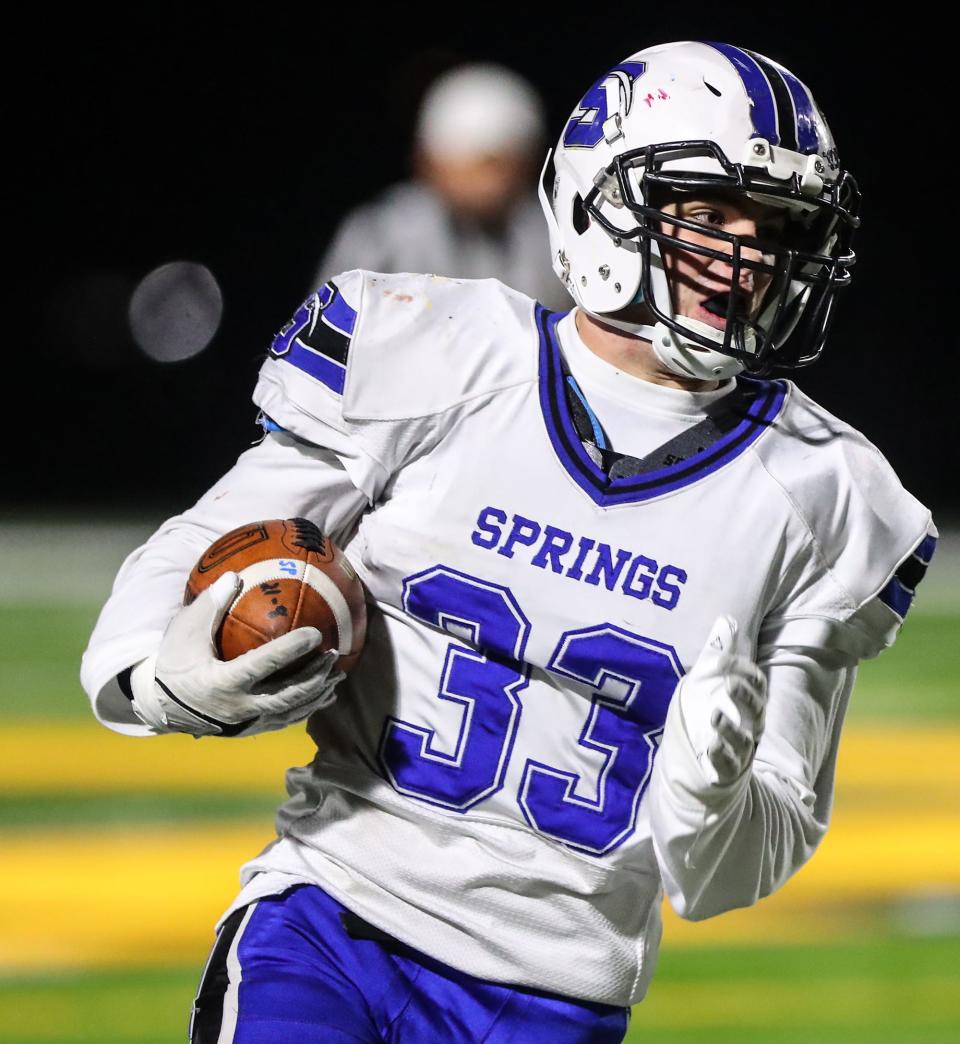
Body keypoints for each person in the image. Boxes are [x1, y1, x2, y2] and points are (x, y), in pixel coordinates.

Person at [82, 40, 936, 1043]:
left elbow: (731, 874)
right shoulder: (436, 357)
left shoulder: (826, 493)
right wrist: (158, 674)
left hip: (556, 996)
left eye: (779, 225)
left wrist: (713, 795)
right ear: (598, 200)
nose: (749, 256)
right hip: (331, 924)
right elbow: (202, 543)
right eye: (708, 214)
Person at [311, 62, 572, 310]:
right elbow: (325, 335)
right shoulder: (384, 236)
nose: (486, 181)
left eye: (499, 161)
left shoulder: (557, 230)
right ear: (428, 160)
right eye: (470, 158)